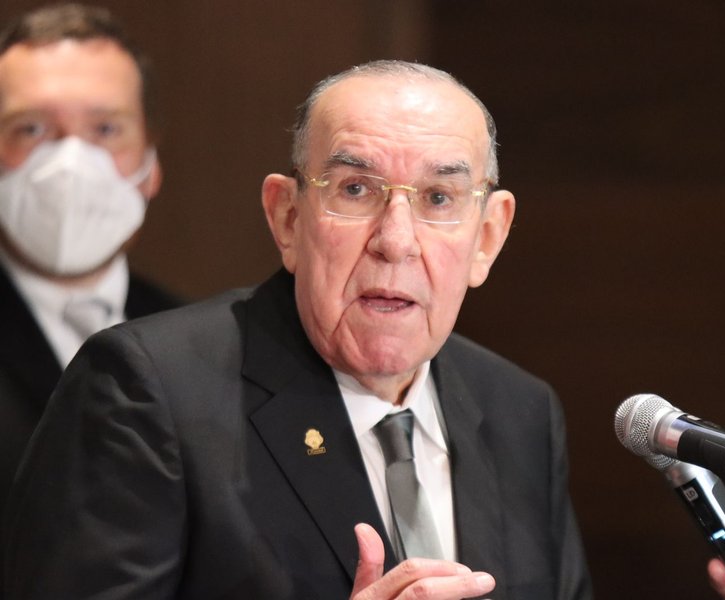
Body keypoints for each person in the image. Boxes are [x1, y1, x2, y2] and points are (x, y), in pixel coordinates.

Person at [3, 60, 592, 599]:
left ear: (487, 237)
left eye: (439, 198)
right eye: (356, 190)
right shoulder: (148, 393)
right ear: (287, 217)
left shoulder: (521, 412)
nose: (396, 241)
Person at [0, 1, 178, 580]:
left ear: (150, 163)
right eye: (30, 129)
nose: (71, 162)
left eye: (105, 129)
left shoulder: (201, 345)